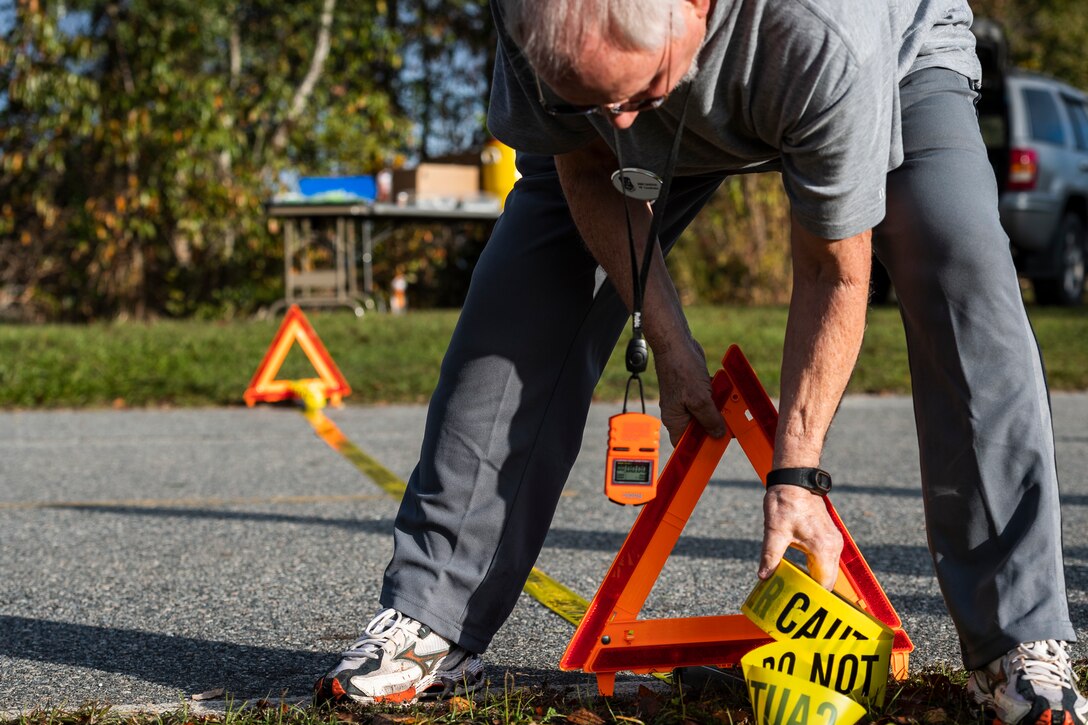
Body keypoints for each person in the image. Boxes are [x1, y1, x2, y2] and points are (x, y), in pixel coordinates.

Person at [313, 1, 1086, 723]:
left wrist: (796, 474)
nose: (615, 120)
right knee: (529, 281)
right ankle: (430, 616)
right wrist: (672, 344)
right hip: (665, 63)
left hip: (890, 51)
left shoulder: (821, 33)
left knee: (955, 251)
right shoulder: (541, 26)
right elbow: (585, 165)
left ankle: (1015, 643)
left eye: (634, 93)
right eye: (589, 97)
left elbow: (832, 270)